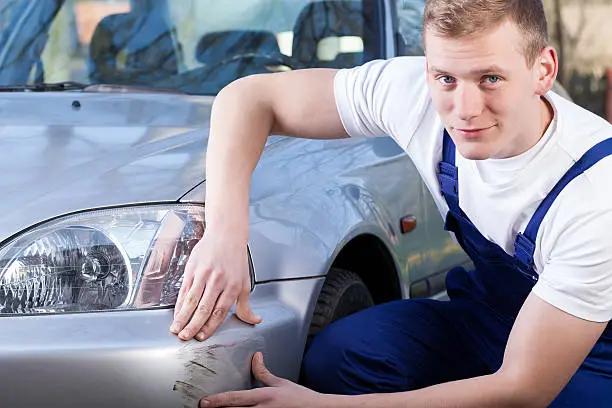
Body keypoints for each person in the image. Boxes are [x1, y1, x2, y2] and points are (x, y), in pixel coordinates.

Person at [170, 0, 612, 406]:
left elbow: (524, 387)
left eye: (490, 78)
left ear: (543, 70)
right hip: (491, 317)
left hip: (586, 355)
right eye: (446, 79)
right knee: (339, 358)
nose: (464, 108)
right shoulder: (414, 94)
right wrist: (225, 232)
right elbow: (248, 97)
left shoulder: (595, 193)